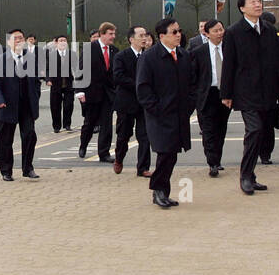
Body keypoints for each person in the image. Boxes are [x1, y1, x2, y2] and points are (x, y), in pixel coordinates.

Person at [219, 0, 279, 195]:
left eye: (259, 1)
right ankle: (245, 176)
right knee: (255, 130)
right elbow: (229, 65)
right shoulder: (233, 32)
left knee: (262, 134)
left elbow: (278, 61)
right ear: (242, 8)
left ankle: (251, 175)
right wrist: (226, 93)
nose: (258, 5)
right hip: (245, 92)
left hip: (268, 91)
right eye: (253, 2)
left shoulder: (268, 29)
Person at [136, 18, 195, 209]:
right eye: (174, 32)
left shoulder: (184, 56)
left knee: (172, 154)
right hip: (160, 115)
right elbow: (143, 88)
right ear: (162, 36)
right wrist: (156, 108)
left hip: (179, 114)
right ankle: (158, 190)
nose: (178, 35)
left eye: (179, 31)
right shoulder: (150, 57)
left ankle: (163, 191)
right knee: (165, 152)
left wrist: (189, 106)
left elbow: (192, 84)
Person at [0, 28, 42, 181]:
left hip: (26, 105)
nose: (19, 40)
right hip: (7, 105)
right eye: (16, 38)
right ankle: (6, 171)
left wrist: (35, 96)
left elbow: (36, 80)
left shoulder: (30, 58)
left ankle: (28, 168)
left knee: (30, 135)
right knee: (5, 140)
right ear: (9, 42)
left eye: (21, 38)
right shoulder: (0, 60)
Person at [191, 18, 231, 178]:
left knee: (221, 129)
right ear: (206, 34)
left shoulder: (229, 49)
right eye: (215, 30)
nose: (220, 33)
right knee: (208, 130)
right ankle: (212, 162)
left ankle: (217, 159)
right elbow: (193, 77)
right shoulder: (198, 52)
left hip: (225, 94)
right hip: (207, 95)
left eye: (221, 29)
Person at [112, 25, 152, 177]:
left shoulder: (148, 56)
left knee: (145, 136)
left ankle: (143, 168)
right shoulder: (121, 56)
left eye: (145, 36)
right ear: (131, 39)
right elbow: (118, 77)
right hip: (126, 102)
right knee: (124, 135)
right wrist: (138, 84)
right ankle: (119, 158)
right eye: (141, 36)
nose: (144, 39)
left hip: (144, 103)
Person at [77, 22, 117, 162]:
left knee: (106, 124)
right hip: (92, 92)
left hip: (108, 94)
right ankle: (83, 145)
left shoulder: (114, 50)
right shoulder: (89, 49)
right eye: (110, 34)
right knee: (90, 122)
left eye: (114, 34)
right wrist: (80, 91)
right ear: (102, 34)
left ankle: (104, 153)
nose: (113, 36)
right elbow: (80, 70)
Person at [257, 10, 279, 164]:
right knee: (263, 126)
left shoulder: (278, 43)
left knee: (265, 126)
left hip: (270, 91)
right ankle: (264, 154)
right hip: (261, 92)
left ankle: (264, 153)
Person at [45, 34, 76, 132]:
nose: (63, 42)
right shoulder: (51, 55)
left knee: (69, 105)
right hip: (55, 83)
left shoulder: (72, 54)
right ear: (56, 43)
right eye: (61, 40)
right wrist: (48, 79)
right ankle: (56, 126)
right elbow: (47, 69)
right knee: (55, 106)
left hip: (68, 83)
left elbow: (77, 68)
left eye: (64, 40)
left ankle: (67, 124)